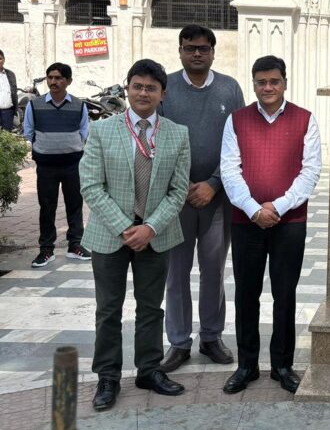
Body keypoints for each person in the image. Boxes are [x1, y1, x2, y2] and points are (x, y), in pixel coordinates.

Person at [80, 59, 191, 411]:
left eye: (151, 88)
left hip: (155, 235)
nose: (143, 93)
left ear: (163, 94)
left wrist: (150, 228)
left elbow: (178, 190)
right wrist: (126, 229)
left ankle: (148, 369)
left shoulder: (177, 133)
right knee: (108, 309)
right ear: (127, 88)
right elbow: (91, 185)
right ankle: (108, 376)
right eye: (137, 86)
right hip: (110, 236)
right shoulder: (103, 130)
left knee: (150, 308)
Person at [219, 55, 321, 395]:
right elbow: (229, 170)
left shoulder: (305, 120)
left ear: (285, 83)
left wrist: (275, 207)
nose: (268, 87)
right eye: (261, 82)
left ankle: (282, 365)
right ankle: (247, 365)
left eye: (274, 81)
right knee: (246, 293)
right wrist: (253, 209)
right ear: (254, 84)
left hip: (289, 222)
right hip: (246, 221)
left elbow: (310, 172)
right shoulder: (237, 120)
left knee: (284, 294)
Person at [159, 25, 245, 372]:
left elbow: (239, 142)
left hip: (216, 197)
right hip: (175, 200)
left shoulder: (230, 88)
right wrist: (184, 187)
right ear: (180, 51)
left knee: (213, 270)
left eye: (203, 48)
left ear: (213, 52)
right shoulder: (166, 88)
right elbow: (159, 144)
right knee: (175, 273)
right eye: (190, 48)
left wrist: (213, 183)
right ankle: (178, 342)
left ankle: (211, 336)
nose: (197, 53)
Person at [23, 62, 90, 267]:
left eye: (58, 78)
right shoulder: (35, 104)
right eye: (50, 77)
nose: (53, 81)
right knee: (47, 206)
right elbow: (28, 131)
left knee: (75, 204)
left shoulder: (79, 105)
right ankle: (46, 250)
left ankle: (75, 245)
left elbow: (84, 132)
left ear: (68, 81)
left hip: (73, 164)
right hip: (46, 165)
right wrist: (45, 147)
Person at [0, 49, 17, 131]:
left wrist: (15, 110)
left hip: (7, 112)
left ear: (4, 59)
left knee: (7, 139)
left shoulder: (10, 74)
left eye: (0, 58)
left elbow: (14, 93)